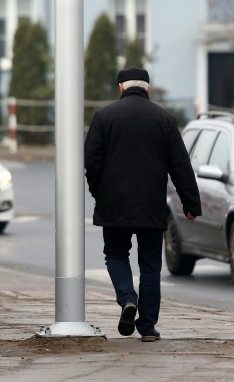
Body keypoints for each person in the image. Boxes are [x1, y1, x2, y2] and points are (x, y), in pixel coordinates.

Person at [84, 67, 202, 341]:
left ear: (121, 88)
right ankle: (147, 326)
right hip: (151, 204)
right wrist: (191, 203)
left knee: (115, 254)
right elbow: (181, 166)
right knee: (150, 265)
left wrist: (98, 193)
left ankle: (127, 298)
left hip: (114, 203)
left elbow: (91, 162)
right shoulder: (165, 119)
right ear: (147, 88)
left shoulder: (104, 117)